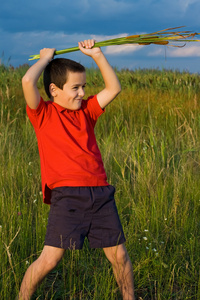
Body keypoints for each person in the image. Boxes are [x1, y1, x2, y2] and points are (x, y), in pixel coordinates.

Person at [18, 39, 135, 300]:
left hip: (101, 194)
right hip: (67, 196)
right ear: (54, 89)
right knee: (50, 259)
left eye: (84, 86)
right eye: (75, 87)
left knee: (119, 256)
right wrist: (45, 60)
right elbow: (28, 82)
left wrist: (98, 55)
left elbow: (113, 88)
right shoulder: (43, 114)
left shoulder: (87, 112)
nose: (82, 93)